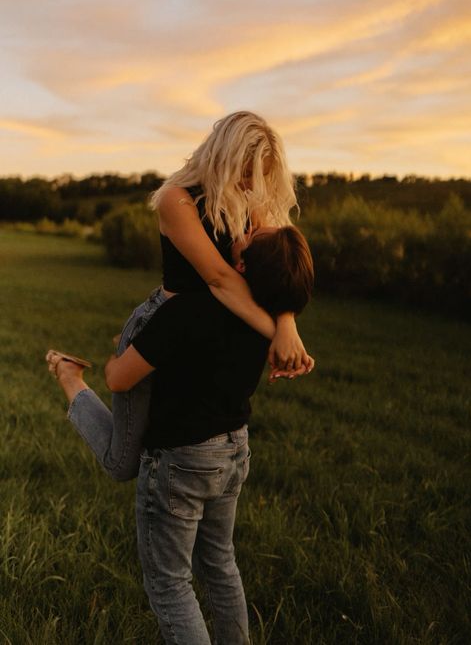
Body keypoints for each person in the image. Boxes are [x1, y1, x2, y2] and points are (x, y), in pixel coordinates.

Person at [46, 225, 314, 645]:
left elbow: (117, 379)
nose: (243, 228)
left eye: (249, 234)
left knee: (170, 585)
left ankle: (68, 378)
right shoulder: (266, 325)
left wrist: (132, 350)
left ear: (241, 264)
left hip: (181, 462)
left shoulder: (189, 310)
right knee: (221, 565)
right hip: (233, 452)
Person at [47, 111, 314, 482]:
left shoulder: (249, 201)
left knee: (183, 438)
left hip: (209, 329)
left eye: (260, 174)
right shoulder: (177, 199)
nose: (252, 183)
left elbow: (280, 272)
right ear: (224, 156)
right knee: (124, 462)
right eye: (246, 170)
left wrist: (287, 322)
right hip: (164, 324)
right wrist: (277, 331)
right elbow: (220, 278)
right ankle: (70, 376)